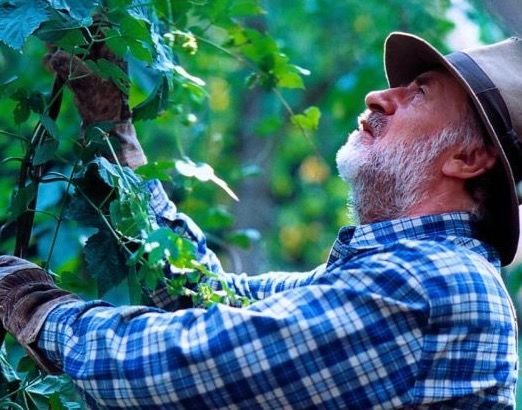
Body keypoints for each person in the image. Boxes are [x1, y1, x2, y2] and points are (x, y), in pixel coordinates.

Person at [0, 32, 519, 408]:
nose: (378, 96)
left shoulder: (430, 283)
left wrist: (37, 308)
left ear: (469, 159)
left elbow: (193, 363)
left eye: (419, 93)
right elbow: (208, 297)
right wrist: (119, 140)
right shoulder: (401, 272)